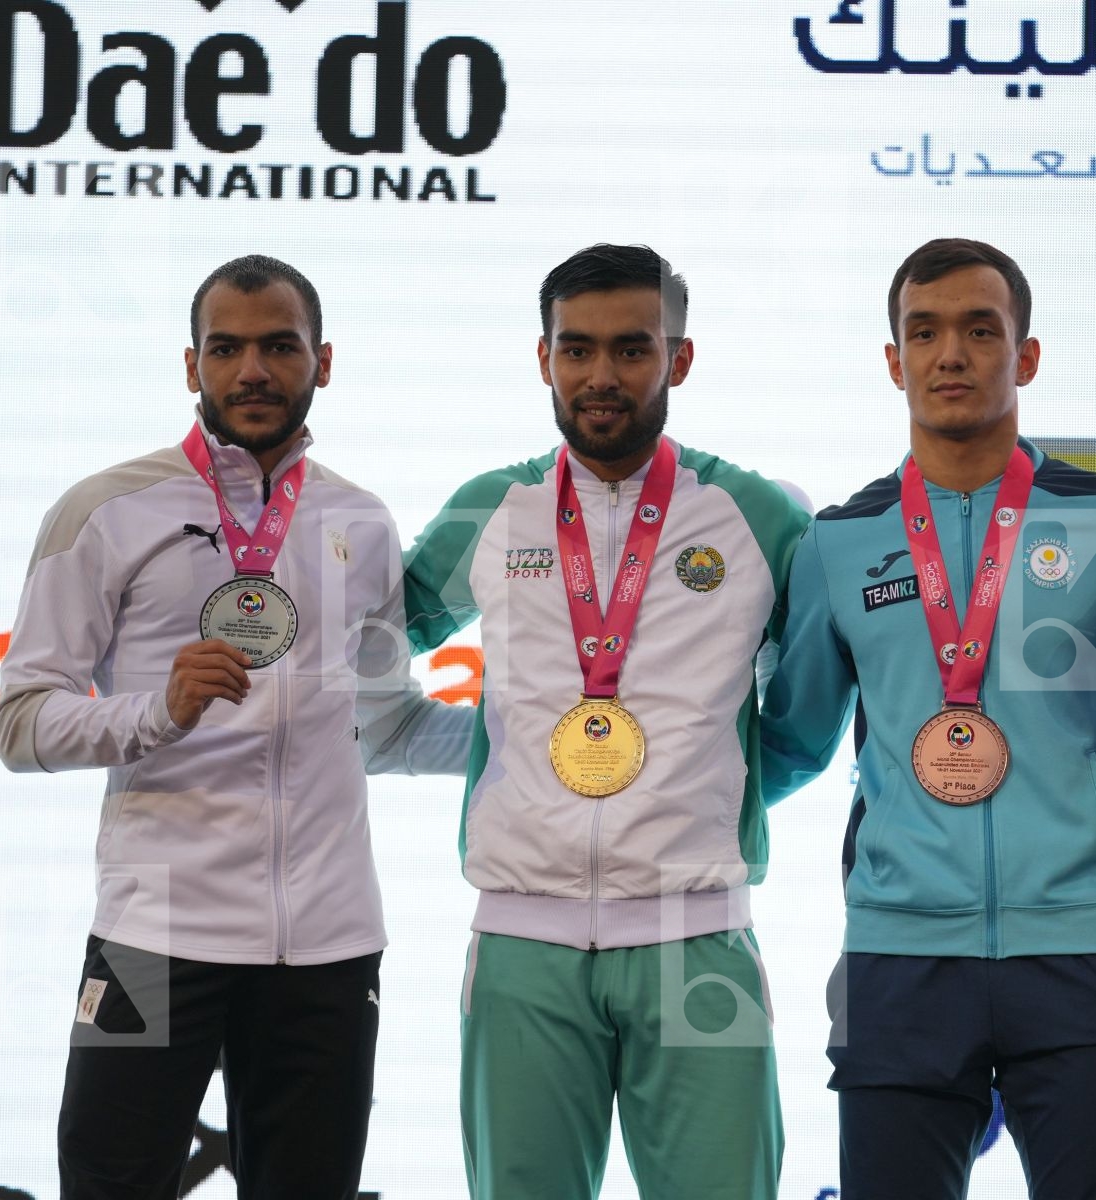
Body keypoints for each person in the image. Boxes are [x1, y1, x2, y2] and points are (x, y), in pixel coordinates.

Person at [0, 254, 472, 1200]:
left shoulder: (362, 523)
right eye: (228, 348)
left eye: (279, 346)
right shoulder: (107, 510)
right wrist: (155, 714)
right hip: (152, 936)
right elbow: (20, 721)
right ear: (191, 365)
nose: (253, 370)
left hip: (327, 949)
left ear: (321, 362)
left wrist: (523, 736)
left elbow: (386, 728)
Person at [760, 238, 1096, 1200]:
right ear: (894, 360)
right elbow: (789, 741)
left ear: (1025, 356)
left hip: (1079, 951)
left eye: (979, 330)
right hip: (898, 957)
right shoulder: (840, 539)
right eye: (925, 331)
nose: (951, 354)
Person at [402, 243, 808, 1200]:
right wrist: (481, 752)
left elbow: (815, 702)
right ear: (543, 358)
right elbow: (368, 649)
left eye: (632, 349)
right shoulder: (491, 509)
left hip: (696, 937)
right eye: (575, 349)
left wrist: (723, 783)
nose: (601, 376)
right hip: (523, 943)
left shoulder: (758, 514)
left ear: (679, 357)